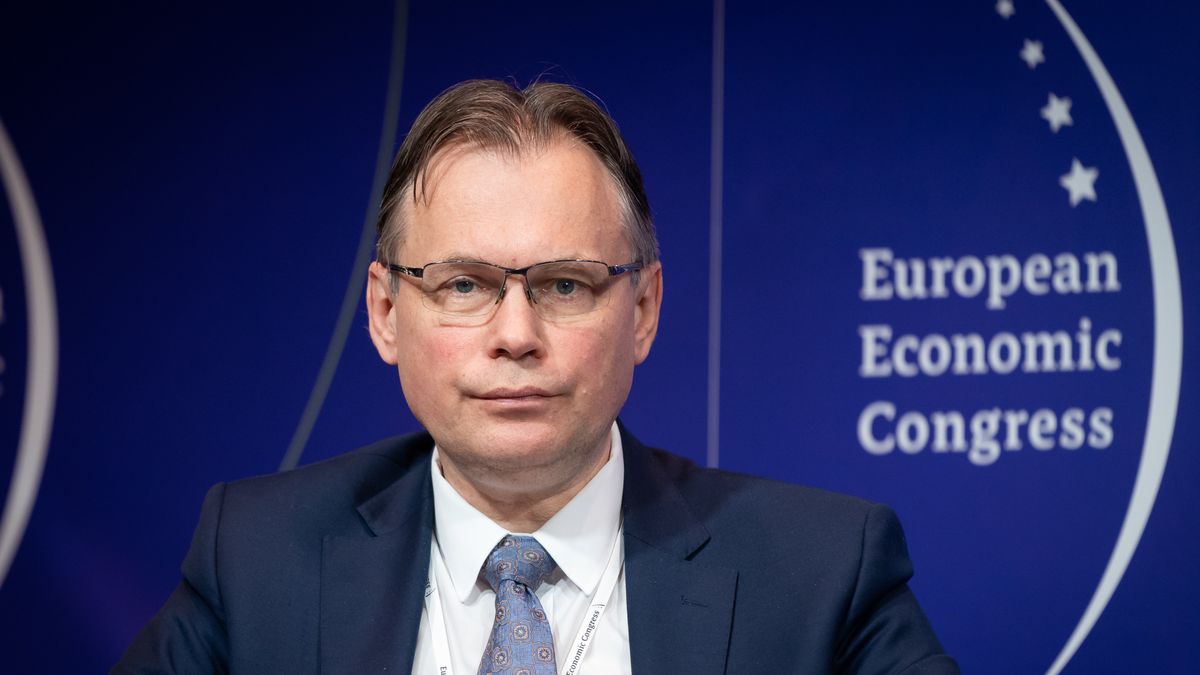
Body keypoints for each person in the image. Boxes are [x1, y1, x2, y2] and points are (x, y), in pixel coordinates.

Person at [114, 79, 959, 674]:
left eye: (565, 284)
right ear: (383, 312)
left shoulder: (820, 574)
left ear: (645, 309)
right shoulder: (259, 558)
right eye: (465, 284)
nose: (515, 335)